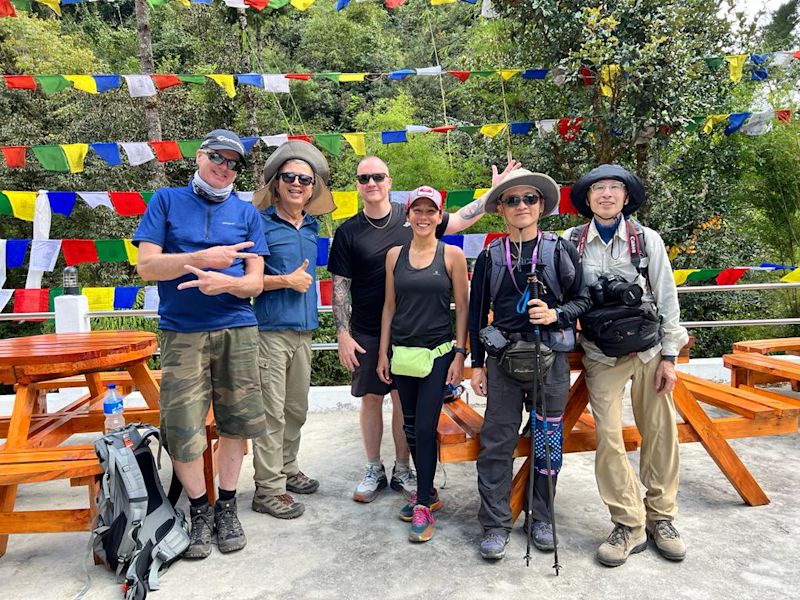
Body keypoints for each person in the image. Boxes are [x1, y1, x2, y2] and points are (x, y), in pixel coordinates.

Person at [327, 156, 520, 503]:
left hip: (417, 337)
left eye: (378, 177)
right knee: (371, 399)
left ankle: (404, 468)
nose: (371, 183)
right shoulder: (348, 231)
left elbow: (460, 219)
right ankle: (374, 467)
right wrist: (342, 333)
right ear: (357, 184)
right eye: (364, 178)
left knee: (405, 404)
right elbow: (339, 285)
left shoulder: (412, 214)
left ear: (389, 181)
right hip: (368, 331)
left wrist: (495, 191)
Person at [134, 129, 268, 559]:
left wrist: (223, 282)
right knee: (182, 426)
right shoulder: (167, 201)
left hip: (238, 329)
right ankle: (198, 509)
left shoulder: (247, 213)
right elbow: (147, 266)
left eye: (233, 162)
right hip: (181, 332)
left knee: (237, 423)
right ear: (199, 156)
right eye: (217, 157)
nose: (224, 167)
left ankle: (226, 505)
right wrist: (201, 261)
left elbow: (254, 283)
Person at [565, 164, 689, 567]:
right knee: (609, 437)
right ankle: (628, 523)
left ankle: (662, 518)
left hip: (649, 351)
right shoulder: (572, 242)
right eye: (597, 188)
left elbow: (668, 298)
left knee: (660, 431)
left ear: (625, 196)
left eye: (613, 188)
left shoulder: (646, 240)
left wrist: (670, 356)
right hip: (601, 353)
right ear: (587, 199)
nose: (605, 194)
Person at [469, 168, 590, 561]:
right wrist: (476, 364)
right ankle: (494, 523)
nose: (521, 206)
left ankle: (540, 516)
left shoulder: (559, 250)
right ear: (501, 209)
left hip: (550, 360)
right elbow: (475, 314)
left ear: (541, 206)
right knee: (496, 443)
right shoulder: (489, 255)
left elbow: (583, 300)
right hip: (503, 361)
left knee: (548, 442)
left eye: (529, 199)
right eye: (512, 200)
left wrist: (555, 314)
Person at [376, 186, 468, 543]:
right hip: (402, 354)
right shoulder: (393, 255)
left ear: (439, 216)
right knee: (411, 427)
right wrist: (383, 352)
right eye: (418, 210)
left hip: (437, 354)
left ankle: (424, 502)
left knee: (426, 427)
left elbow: (462, 307)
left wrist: (460, 354)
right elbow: (389, 307)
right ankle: (427, 490)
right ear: (408, 214)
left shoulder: (452, 256)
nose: (424, 217)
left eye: (432, 211)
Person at [249, 141, 336, 519]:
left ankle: (287, 469)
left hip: (304, 332)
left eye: (305, 178)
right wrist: (283, 281)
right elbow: (246, 281)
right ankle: (268, 489)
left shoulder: (312, 227)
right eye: (289, 177)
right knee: (271, 414)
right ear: (276, 182)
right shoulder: (260, 224)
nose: (297, 184)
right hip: (269, 333)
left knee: (296, 409)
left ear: (313, 187)